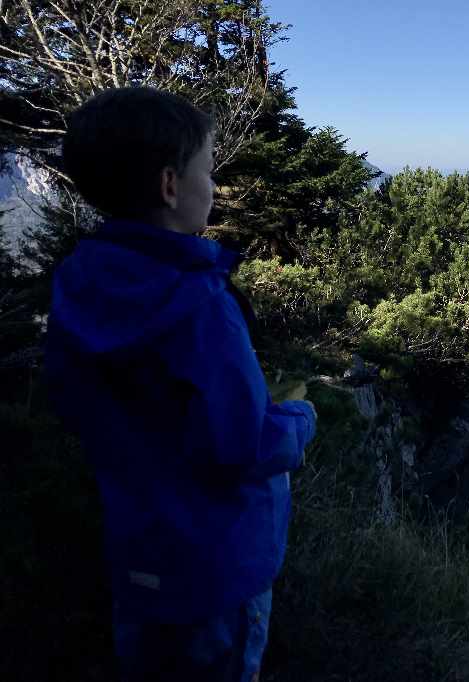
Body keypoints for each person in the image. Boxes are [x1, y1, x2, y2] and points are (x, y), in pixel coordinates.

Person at [44, 87, 317, 682]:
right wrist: (300, 419)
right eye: (208, 172)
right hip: (216, 569)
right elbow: (241, 445)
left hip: (138, 554)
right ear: (171, 186)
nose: (213, 187)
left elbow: (70, 400)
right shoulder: (198, 305)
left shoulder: (78, 284)